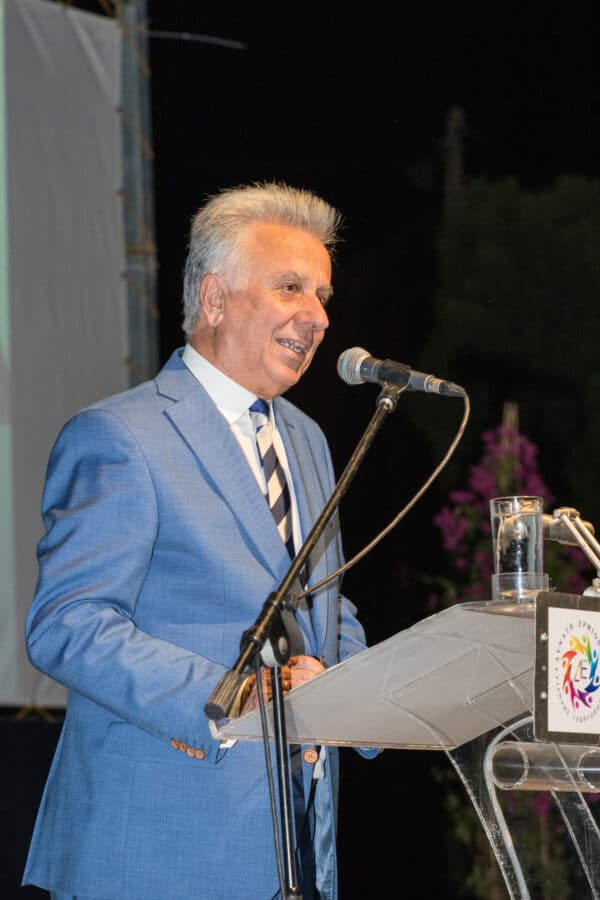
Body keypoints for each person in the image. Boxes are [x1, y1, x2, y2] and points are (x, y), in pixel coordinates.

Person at [23, 182, 374, 900]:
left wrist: (366, 694)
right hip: (154, 847)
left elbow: (326, 609)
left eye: (322, 296)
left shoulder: (307, 440)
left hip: (293, 850)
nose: (317, 316)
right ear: (215, 299)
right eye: (290, 288)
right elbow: (68, 625)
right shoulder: (122, 436)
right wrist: (233, 695)